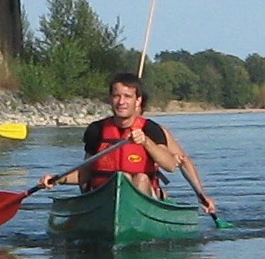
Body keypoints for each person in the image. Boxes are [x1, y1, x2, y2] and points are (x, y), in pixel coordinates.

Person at [39, 72, 178, 198]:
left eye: (127, 96)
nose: (121, 102)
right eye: (116, 96)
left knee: (140, 178)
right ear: (110, 99)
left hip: (142, 191)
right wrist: (57, 179)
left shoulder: (151, 129)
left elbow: (170, 165)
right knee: (121, 177)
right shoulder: (96, 130)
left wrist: (146, 141)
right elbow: (84, 174)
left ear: (138, 101)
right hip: (105, 194)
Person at [139, 93, 217, 215]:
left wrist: (201, 195)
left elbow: (184, 161)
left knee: (141, 179)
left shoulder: (154, 130)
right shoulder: (107, 129)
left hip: (146, 188)